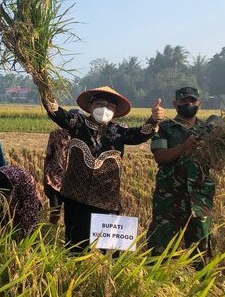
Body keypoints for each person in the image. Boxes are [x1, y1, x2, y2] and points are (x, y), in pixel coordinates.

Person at [38, 85, 164, 252]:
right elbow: (56, 112)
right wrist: (43, 83)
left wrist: (154, 119)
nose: (104, 109)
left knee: (106, 253)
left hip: (106, 201)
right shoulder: (78, 124)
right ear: (90, 106)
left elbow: (140, 134)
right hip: (76, 198)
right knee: (76, 247)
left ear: (115, 110)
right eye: (99, 104)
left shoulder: (119, 131)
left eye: (110, 106)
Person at [146, 87, 218, 268]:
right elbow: (160, 156)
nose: (188, 104)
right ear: (175, 104)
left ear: (199, 104)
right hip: (169, 198)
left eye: (192, 101)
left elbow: (217, 165)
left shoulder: (208, 131)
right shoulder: (164, 128)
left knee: (200, 252)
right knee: (161, 250)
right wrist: (183, 147)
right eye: (184, 101)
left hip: (199, 199)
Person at [0, 165, 43, 238]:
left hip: (24, 196)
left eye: (4, 198)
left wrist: (25, 238)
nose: (3, 201)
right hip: (3, 202)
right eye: (0, 199)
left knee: (28, 227)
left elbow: (30, 212)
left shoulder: (25, 181)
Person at [43, 127, 72, 224]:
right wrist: (45, 176)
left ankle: (68, 236)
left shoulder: (80, 135)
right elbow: (48, 155)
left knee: (70, 215)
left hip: (71, 180)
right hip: (55, 178)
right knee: (55, 212)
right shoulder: (55, 134)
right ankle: (52, 233)